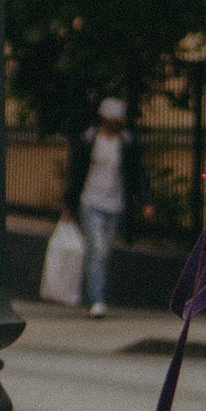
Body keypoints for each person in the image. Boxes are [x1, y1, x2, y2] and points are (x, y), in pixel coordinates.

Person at [64, 98, 146, 316]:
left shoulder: (126, 142)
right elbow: (77, 172)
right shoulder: (90, 139)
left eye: (115, 121)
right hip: (91, 201)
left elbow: (136, 173)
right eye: (109, 120)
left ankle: (93, 291)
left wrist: (145, 200)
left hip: (114, 204)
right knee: (98, 249)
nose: (112, 124)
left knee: (104, 252)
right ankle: (97, 300)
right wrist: (69, 205)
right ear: (102, 119)